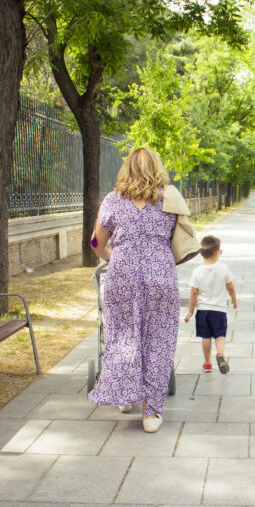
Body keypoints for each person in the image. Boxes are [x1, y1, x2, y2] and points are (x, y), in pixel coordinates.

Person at [89, 147, 185, 433]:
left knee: (123, 336)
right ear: (157, 168)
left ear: (126, 169)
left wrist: (114, 256)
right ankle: (151, 412)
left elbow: (96, 242)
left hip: (123, 276)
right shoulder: (169, 198)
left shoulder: (113, 201)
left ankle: (125, 393)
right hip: (161, 275)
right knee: (158, 340)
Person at [184, 235, 238, 374]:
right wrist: (234, 299)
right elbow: (230, 287)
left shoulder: (197, 271)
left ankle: (207, 364)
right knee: (220, 335)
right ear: (216, 253)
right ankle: (220, 355)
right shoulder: (224, 268)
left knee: (206, 337)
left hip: (203, 311)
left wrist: (190, 311)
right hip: (219, 310)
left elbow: (194, 293)